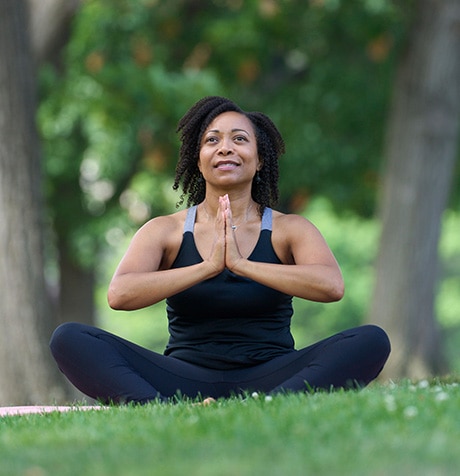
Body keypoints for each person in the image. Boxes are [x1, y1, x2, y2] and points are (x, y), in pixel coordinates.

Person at [49, 96, 390, 404]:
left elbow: (331, 286)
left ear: (259, 161)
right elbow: (119, 294)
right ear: (198, 161)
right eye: (212, 140)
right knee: (69, 338)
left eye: (239, 139)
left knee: (371, 340)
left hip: (273, 374)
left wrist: (242, 264)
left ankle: (266, 406)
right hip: (182, 377)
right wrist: (208, 266)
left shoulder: (290, 229)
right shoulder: (165, 231)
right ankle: (164, 410)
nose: (225, 148)